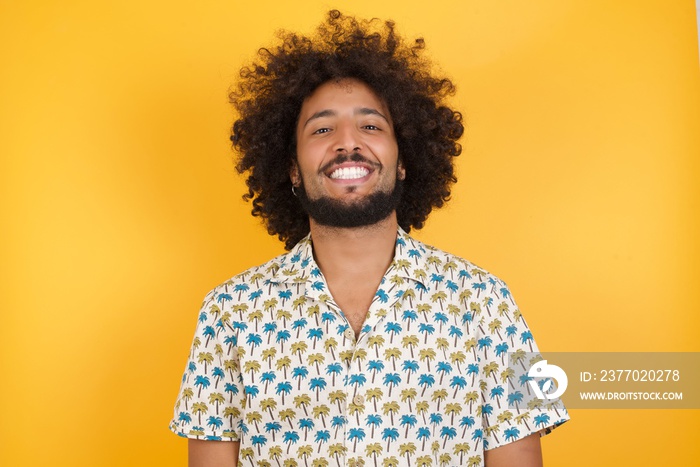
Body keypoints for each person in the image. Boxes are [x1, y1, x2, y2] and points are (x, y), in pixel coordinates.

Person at [170, 10, 569, 467]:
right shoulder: (227, 313)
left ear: (403, 160)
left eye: (372, 125)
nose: (348, 142)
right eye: (322, 129)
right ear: (292, 170)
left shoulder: (489, 301)